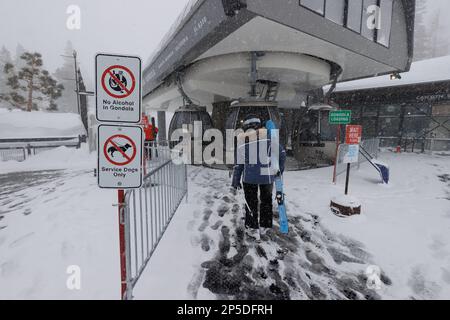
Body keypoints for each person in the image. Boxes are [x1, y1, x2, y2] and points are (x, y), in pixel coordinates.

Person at [231, 115, 286, 240]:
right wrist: (279, 171)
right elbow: (282, 154)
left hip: (249, 178)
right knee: (266, 201)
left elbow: (238, 166)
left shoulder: (242, 143)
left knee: (251, 202)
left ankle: (252, 227)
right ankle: (264, 226)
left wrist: (235, 182)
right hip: (267, 177)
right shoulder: (269, 139)